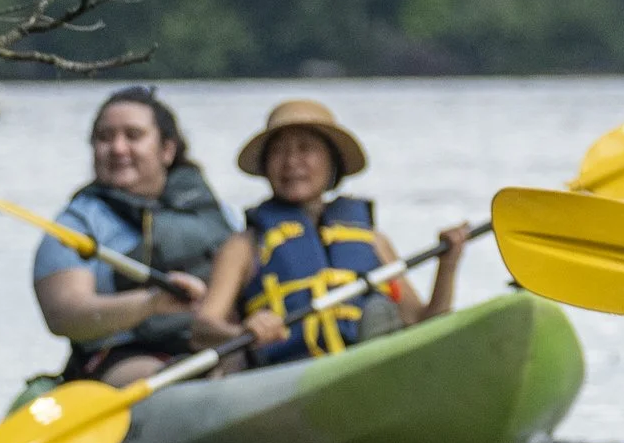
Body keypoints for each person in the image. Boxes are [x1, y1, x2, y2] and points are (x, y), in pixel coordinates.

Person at [194, 99, 470, 366]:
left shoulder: (372, 241)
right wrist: (245, 332)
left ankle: (376, 349)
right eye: (279, 152)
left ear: (332, 163)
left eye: (305, 149)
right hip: (288, 375)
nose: (291, 161)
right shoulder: (244, 246)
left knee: (380, 313)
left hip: (366, 367)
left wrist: (448, 265)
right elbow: (203, 327)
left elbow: (426, 324)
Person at [32, 87, 232, 387]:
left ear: (167, 149)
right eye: (104, 137)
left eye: (133, 135)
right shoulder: (75, 225)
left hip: (217, 343)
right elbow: (64, 315)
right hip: (123, 358)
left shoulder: (215, 212)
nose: (118, 148)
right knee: (174, 376)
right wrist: (150, 304)